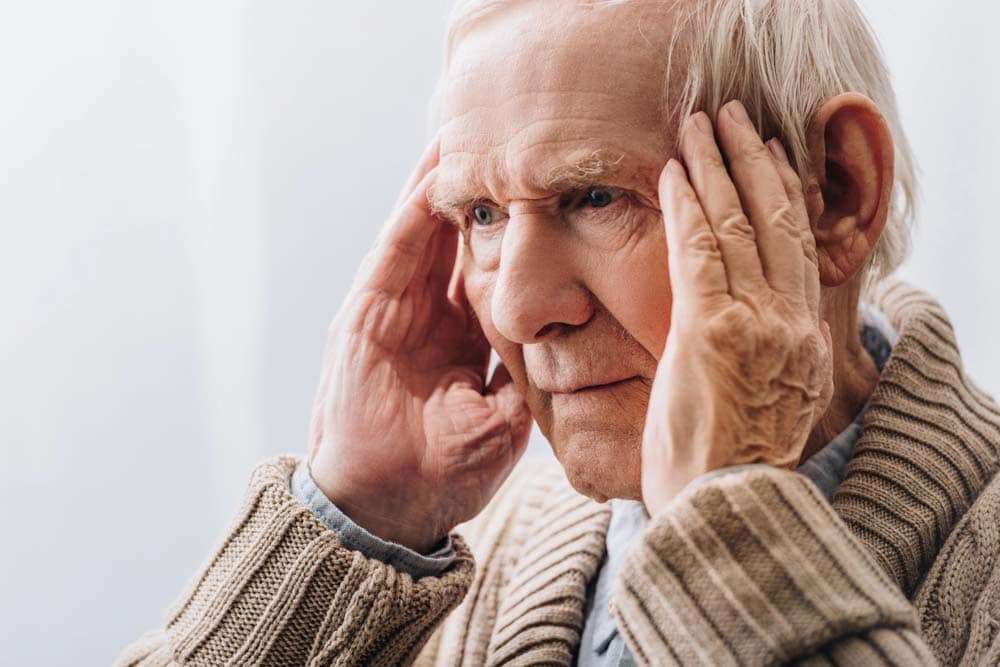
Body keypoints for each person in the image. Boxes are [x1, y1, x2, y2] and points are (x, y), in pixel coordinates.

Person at [118, 1, 1000, 665]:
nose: (512, 310)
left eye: (594, 196)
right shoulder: (499, 543)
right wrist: (354, 518)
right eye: (483, 213)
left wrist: (727, 523)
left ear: (836, 192)